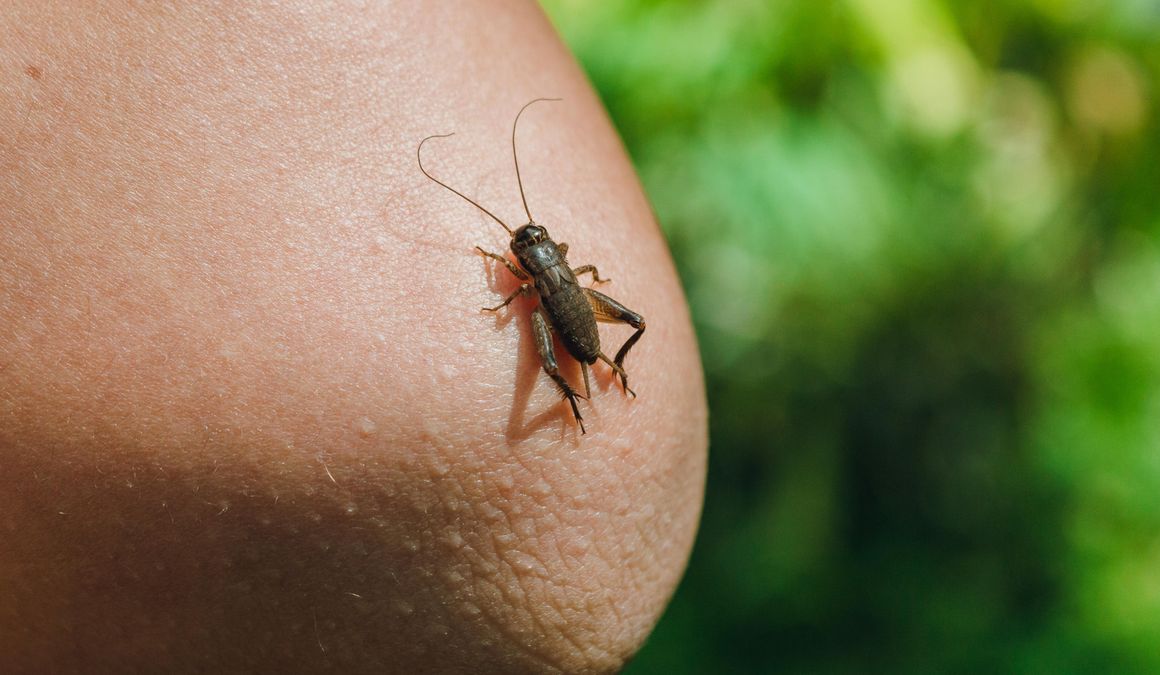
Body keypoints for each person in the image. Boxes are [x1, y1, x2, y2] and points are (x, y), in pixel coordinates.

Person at [0, 1, 706, 672]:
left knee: (622, 323)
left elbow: (530, 291)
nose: (530, 250)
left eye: (532, 246)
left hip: (570, 320)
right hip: (565, 321)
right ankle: (587, 388)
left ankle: (600, 376)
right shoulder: (537, 276)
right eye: (527, 252)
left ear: (539, 255)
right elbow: (544, 286)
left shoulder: (528, 278)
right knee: (566, 345)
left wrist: (531, 298)